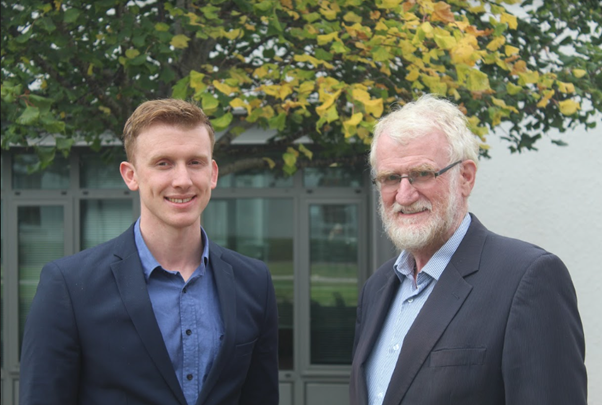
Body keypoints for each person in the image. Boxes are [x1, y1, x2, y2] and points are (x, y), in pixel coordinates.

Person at [20, 99, 279, 405]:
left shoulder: (253, 281)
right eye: (163, 163)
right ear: (131, 175)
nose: (182, 180)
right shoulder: (69, 285)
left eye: (195, 162)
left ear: (212, 173)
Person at [349, 94, 587, 405]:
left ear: (466, 177)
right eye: (391, 178)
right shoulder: (377, 289)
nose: (404, 195)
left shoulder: (528, 279)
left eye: (422, 173)